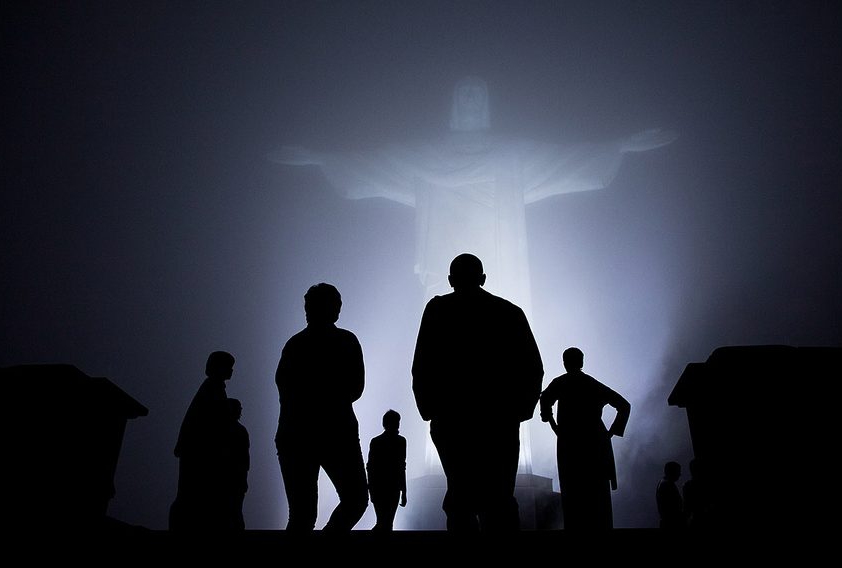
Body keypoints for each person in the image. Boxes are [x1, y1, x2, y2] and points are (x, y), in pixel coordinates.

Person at [269, 76, 676, 474]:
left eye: (477, 95)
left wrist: (617, 147)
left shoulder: (511, 156)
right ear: (451, 105)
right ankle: (445, 469)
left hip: (506, 269)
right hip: (454, 384)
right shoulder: (426, 159)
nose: (470, 103)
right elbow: (375, 166)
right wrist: (325, 160)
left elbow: (566, 160)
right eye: (463, 95)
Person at [411, 253, 544, 531]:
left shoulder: (437, 310)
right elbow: (533, 367)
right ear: (483, 279)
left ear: (450, 280)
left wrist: (430, 409)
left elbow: (422, 364)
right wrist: (519, 411)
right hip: (499, 421)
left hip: (451, 420)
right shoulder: (509, 312)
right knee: (499, 497)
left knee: (460, 494)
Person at [275, 283, 369, 531]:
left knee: (301, 515)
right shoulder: (346, 341)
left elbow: (285, 387)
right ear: (336, 309)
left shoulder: (294, 345)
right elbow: (355, 388)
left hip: (295, 435)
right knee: (356, 499)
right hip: (337, 433)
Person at [539, 347, 631, 530]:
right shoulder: (592, 384)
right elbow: (624, 405)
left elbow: (545, 401)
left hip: (569, 444)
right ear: (581, 362)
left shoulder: (560, 383)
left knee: (572, 493)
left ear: (565, 363)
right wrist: (611, 432)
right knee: (598, 496)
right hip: (595, 444)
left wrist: (554, 425)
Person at [170, 350, 235, 532]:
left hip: (198, 449)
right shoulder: (213, 389)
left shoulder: (212, 388)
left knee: (191, 494)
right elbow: (210, 423)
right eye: (229, 367)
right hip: (199, 451)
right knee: (189, 495)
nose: (231, 371)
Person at [366, 409, 408, 531]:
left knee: (383, 521)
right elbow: (401, 467)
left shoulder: (376, 441)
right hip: (392, 487)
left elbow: (370, 467)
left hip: (379, 487)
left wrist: (371, 488)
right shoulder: (401, 441)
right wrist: (404, 492)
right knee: (387, 522)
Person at [223, 398, 250, 531]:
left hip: (232, 478)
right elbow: (244, 459)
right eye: (239, 407)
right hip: (236, 478)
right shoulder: (240, 431)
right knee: (235, 513)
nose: (241, 410)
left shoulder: (221, 430)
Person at [657, 461, 685, 530]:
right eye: (678, 471)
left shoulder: (663, 483)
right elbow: (674, 507)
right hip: (671, 523)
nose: (680, 474)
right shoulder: (668, 485)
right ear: (672, 471)